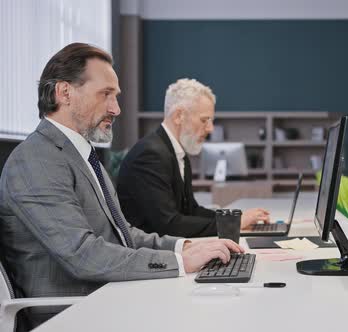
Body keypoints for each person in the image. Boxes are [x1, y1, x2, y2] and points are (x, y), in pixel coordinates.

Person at [0, 43, 242, 330]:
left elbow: (123, 234)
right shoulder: (36, 160)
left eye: (116, 96)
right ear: (64, 92)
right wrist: (179, 262)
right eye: (106, 94)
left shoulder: (83, 155)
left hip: (108, 295)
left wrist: (187, 246)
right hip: (73, 314)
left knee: (222, 303)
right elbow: (84, 255)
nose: (116, 108)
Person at [116, 78, 270, 238]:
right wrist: (233, 224)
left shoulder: (176, 152)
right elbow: (169, 225)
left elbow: (191, 211)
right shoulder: (150, 155)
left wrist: (235, 218)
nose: (210, 129)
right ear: (178, 116)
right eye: (204, 120)